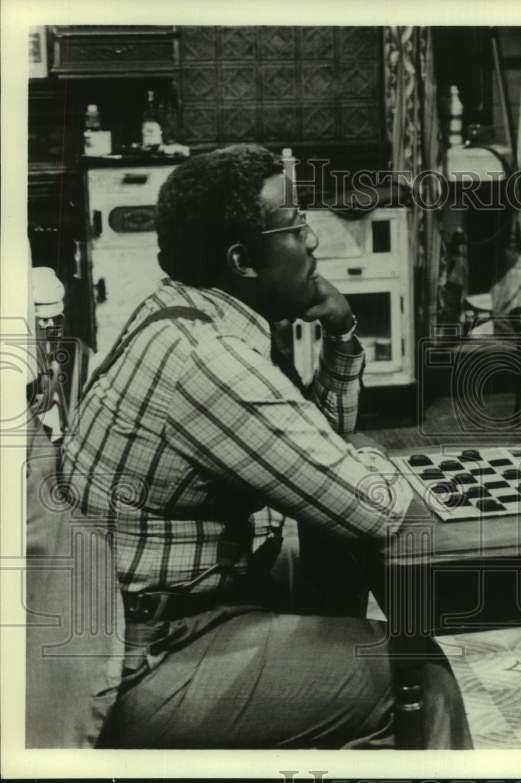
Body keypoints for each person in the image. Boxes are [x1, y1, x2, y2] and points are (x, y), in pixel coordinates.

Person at [59, 144, 471, 749]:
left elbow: (320, 444)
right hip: (146, 657)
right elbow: (373, 504)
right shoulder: (210, 362)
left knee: (330, 554)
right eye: (296, 226)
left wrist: (341, 331)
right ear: (242, 260)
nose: (313, 243)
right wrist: (368, 465)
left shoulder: (178, 313)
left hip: (144, 618)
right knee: (422, 674)